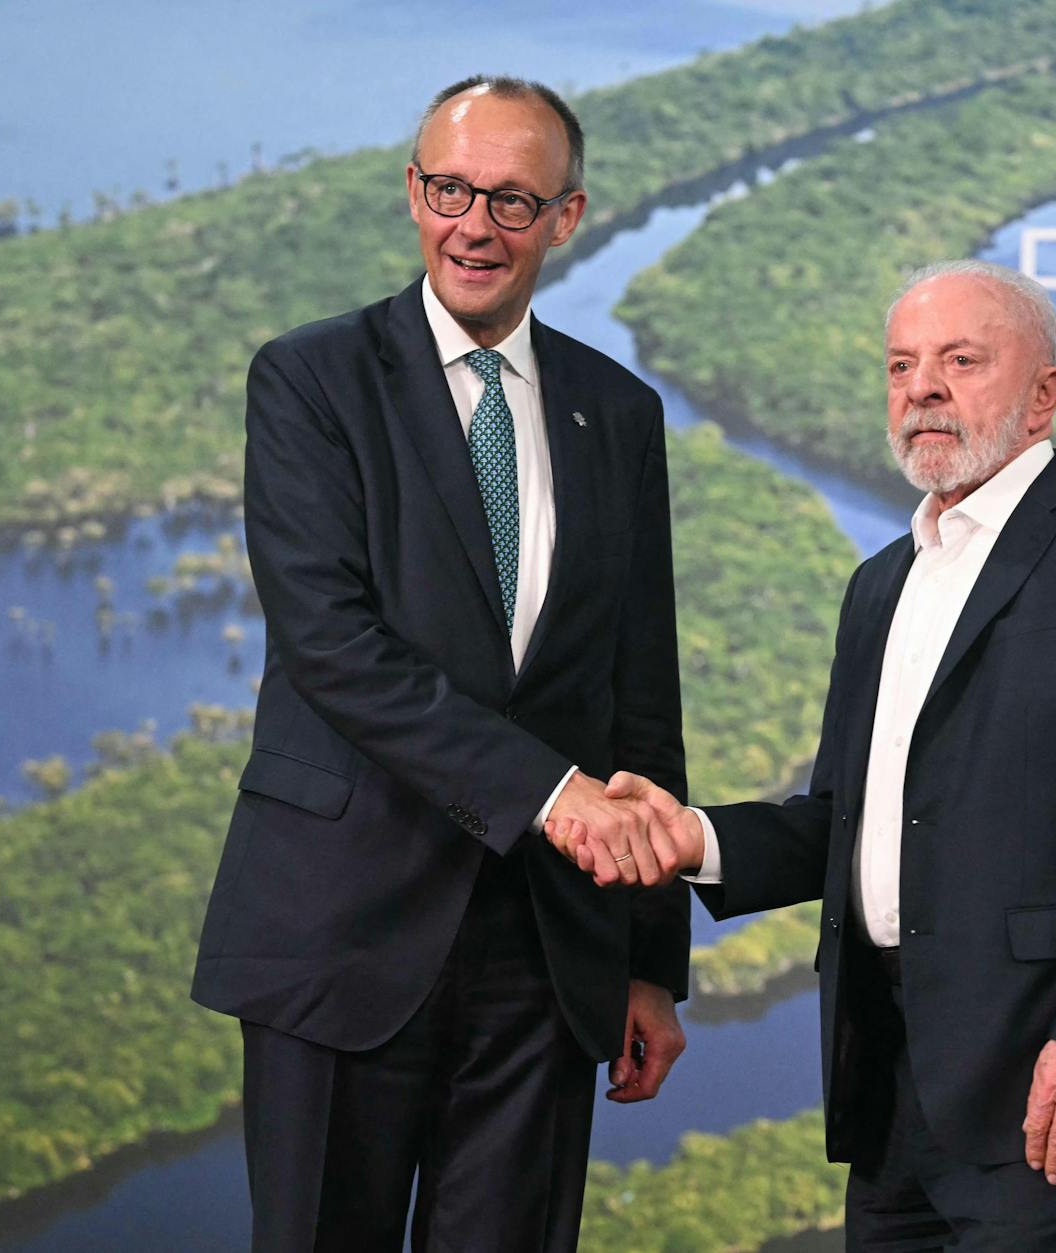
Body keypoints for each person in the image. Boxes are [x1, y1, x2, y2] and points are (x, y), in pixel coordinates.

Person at [551, 259, 1056, 1249]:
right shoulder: (879, 584)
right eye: (899, 365)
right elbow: (842, 817)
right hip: (890, 1090)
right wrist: (690, 837)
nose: (920, 387)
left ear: (1044, 394)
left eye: (960, 360)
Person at [191, 75, 692, 1252]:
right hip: (341, 934)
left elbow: (641, 696)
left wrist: (650, 961)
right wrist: (548, 794)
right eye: (449, 189)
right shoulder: (310, 380)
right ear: (413, 192)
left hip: (546, 955)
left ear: (566, 218)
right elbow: (330, 645)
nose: (474, 223)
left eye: (511, 201)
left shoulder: (618, 413)